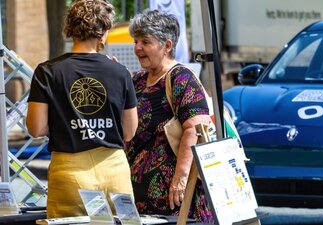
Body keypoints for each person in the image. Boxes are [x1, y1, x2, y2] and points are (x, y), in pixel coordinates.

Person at [26, 0, 138, 218]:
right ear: (104, 32)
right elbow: (129, 131)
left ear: (70, 29)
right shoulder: (120, 72)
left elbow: (36, 128)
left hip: (69, 171)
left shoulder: (47, 72)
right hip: (114, 170)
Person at [126, 9, 214, 223]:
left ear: (167, 45)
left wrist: (180, 179)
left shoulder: (181, 78)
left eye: (145, 41)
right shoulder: (137, 80)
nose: (137, 48)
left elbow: (195, 129)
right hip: (138, 199)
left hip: (173, 200)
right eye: (136, 41)